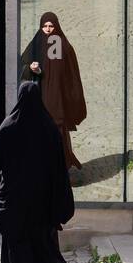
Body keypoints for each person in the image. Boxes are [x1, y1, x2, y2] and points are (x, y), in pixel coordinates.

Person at [0, 80, 75, 263]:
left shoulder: (7, 128)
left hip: (15, 196)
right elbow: (59, 165)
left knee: (18, 237)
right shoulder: (49, 128)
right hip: (42, 197)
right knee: (41, 236)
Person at [21, 11, 87, 169]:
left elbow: (67, 73)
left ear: (56, 26)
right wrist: (31, 68)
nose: (48, 29)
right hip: (40, 94)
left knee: (56, 127)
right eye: (44, 26)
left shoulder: (61, 44)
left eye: (51, 26)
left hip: (57, 97)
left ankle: (59, 166)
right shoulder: (37, 42)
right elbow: (22, 64)